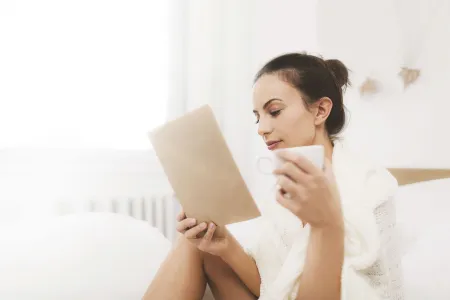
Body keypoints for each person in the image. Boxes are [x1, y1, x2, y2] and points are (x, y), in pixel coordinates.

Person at [143, 53, 402, 300]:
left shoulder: (370, 187)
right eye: (258, 117)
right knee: (195, 241)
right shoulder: (283, 189)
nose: (262, 129)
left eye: (274, 111)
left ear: (320, 110)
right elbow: (273, 283)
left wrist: (326, 225)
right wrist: (224, 244)